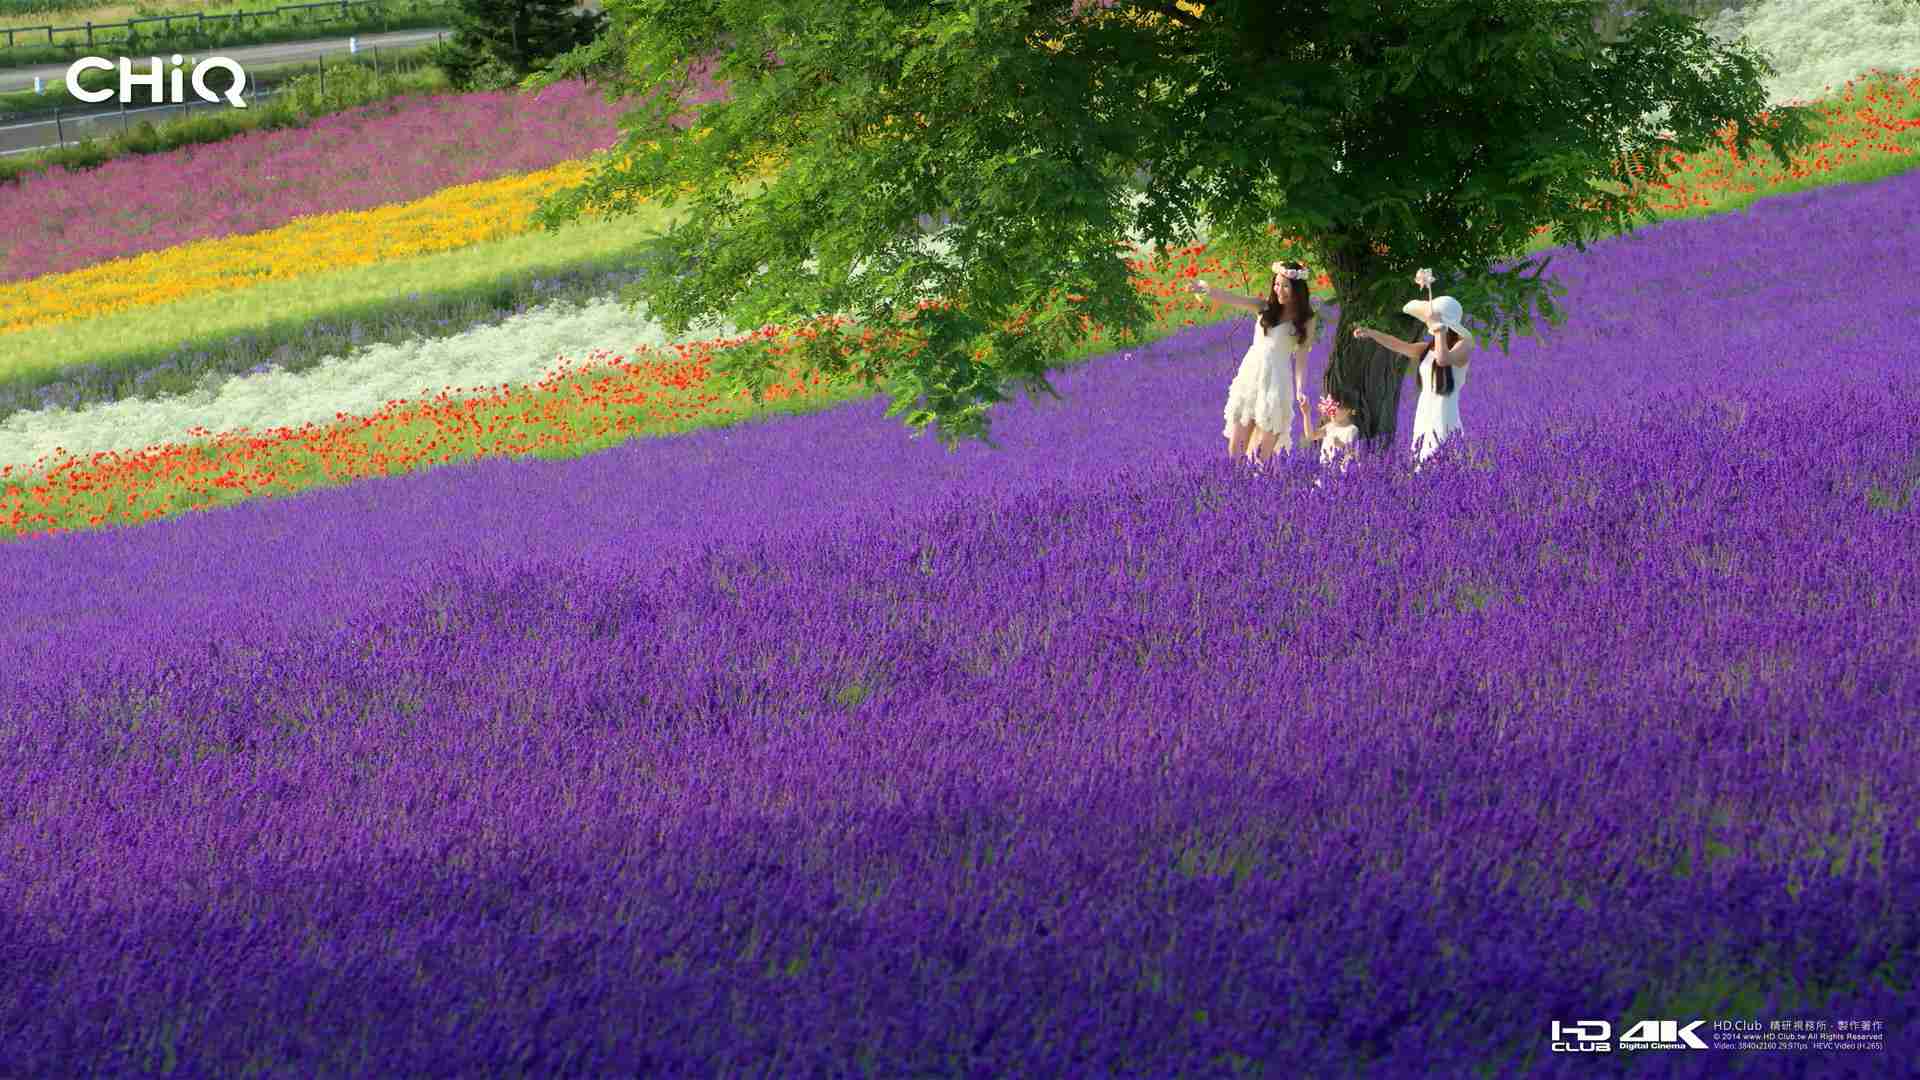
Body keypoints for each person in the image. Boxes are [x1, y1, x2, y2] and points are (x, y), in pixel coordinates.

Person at [1189, 261, 1319, 468]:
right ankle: (1234, 487)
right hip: (1251, 378)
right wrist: (1205, 288)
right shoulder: (1264, 307)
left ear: (1298, 290)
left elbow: (1302, 356)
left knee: (1263, 457)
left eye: (1285, 286)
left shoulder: (1306, 320)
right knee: (1236, 449)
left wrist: (1301, 389)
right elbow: (1231, 298)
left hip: (1276, 384)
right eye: (1276, 284)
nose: (1279, 290)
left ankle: (1259, 490)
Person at [1351, 294, 1474, 463]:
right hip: (1425, 409)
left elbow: (1443, 359)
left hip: (1444, 410)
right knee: (1422, 456)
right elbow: (1399, 345)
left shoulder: (1463, 345)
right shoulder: (1426, 349)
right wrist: (1372, 333)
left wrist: (1439, 329)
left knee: (1444, 454)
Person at [1298, 391, 1360, 473]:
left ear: (1348, 410)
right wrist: (1306, 414)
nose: (1332, 411)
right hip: (1325, 470)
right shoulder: (1329, 427)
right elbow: (1310, 436)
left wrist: (1342, 445)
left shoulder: (1352, 429)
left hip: (1342, 473)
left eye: (1336, 407)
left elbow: (1354, 454)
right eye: (1330, 407)